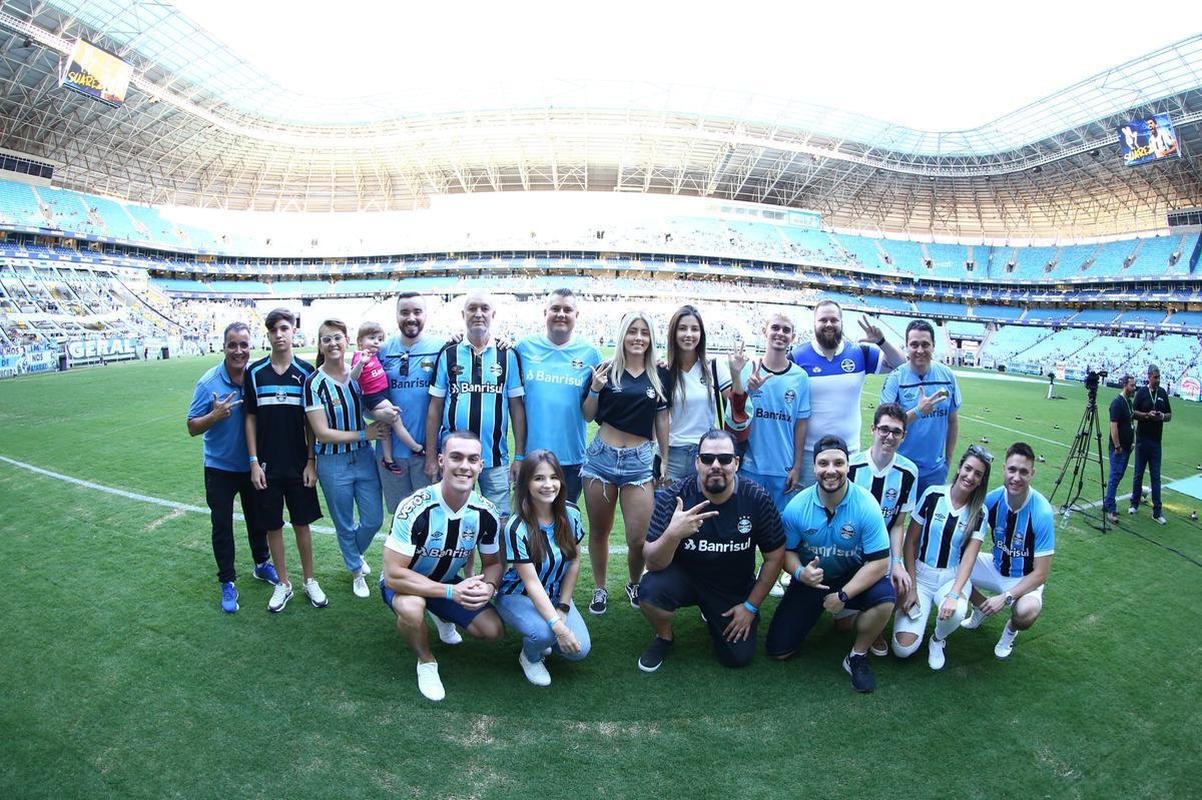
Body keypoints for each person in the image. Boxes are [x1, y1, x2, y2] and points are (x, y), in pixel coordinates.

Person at [637, 430, 785, 672]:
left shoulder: (757, 498)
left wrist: (750, 607)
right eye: (707, 459)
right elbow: (653, 563)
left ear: (736, 463)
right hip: (683, 577)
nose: (716, 465)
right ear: (697, 463)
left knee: (738, 658)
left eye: (725, 459)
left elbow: (774, 557)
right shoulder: (674, 497)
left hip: (730, 585)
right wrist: (673, 533)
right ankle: (664, 637)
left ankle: (715, 613)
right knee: (649, 591)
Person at [380, 431, 505, 702]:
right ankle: (426, 661)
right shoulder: (414, 508)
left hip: (448, 581)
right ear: (440, 461)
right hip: (407, 584)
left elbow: (493, 563)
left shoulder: (487, 513)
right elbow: (392, 575)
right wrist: (451, 593)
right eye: (456, 457)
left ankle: (439, 613)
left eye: (473, 459)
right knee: (412, 608)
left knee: (492, 630)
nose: (464, 466)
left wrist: (489, 587)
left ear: (481, 466)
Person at [766, 435, 895, 693]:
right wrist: (801, 573)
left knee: (885, 598)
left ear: (849, 466)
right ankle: (835, 614)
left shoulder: (866, 504)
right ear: (814, 468)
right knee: (778, 650)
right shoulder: (797, 506)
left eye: (838, 463)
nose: (831, 470)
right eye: (823, 463)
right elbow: (785, 553)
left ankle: (857, 656)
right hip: (813, 580)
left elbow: (880, 563)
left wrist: (844, 595)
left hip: (851, 578)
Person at [581, 310, 669, 615]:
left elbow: (661, 417)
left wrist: (665, 458)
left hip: (639, 462)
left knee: (637, 537)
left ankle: (634, 582)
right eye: (633, 331)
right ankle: (600, 587)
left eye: (644, 332)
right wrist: (594, 388)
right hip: (601, 459)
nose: (638, 338)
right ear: (623, 335)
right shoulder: (606, 370)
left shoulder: (659, 374)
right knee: (599, 531)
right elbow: (588, 415)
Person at [186, 321, 278, 613]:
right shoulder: (208, 382)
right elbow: (191, 426)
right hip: (220, 468)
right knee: (222, 525)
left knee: (258, 520)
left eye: (243, 345)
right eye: (232, 345)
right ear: (223, 347)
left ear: (251, 346)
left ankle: (261, 563)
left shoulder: (256, 376)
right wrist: (214, 416)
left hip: (253, 465)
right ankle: (227, 581)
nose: (238, 351)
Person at [245, 308, 325, 613]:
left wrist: (310, 461)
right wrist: (253, 461)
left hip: (298, 464)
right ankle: (283, 583)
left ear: (293, 332)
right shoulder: (255, 373)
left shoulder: (307, 374)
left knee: (301, 523)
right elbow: (250, 419)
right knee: (272, 526)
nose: (279, 334)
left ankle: (309, 580)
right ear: (267, 335)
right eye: (273, 330)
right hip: (266, 466)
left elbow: (311, 422)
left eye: (284, 328)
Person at [304, 319, 386, 599]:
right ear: (320, 345)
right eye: (326, 339)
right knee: (343, 521)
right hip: (332, 463)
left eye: (337, 337)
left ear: (346, 340)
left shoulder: (357, 377)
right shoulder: (313, 383)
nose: (332, 343)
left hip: (363, 458)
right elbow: (322, 434)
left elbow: (375, 402)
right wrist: (366, 433)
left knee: (374, 518)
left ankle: (353, 555)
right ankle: (355, 571)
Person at [494, 450, 591, 686]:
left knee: (580, 651)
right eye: (539, 478)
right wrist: (559, 627)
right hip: (518, 594)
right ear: (526, 483)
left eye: (553, 477)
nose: (548, 485)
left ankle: (544, 634)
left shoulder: (571, 514)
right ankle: (530, 656)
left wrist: (564, 607)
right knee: (546, 632)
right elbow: (532, 583)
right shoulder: (516, 527)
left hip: (555, 593)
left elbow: (574, 561)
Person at [425, 291, 526, 516]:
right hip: (453, 459)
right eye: (472, 309)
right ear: (463, 314)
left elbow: (517, 408)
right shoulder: (448, 353)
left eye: (484, 309)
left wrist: (519, 456)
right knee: (455, 522)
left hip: (495, 459)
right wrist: (431, 457)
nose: (478, 314)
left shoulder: (508, 354)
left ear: (493, 314)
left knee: (498, 524)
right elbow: (435, 407)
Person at [891, 445, 992, 670]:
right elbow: (911, 542)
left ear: (981, 480)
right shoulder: (933, 494)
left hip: (951, 577)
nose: (970, 476)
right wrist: (913, 587)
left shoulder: (980, 511)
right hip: (921, 574)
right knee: (902, 649)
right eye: (968, 469)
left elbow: (969, 557)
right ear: (959, 467)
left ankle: (937, 639)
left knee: (955, 612)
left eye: (978, 474)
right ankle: (919, 614)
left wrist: (954, 594)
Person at [791, 299, 903, 486]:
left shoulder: (860, 352)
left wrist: (881, 342)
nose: (829, 324)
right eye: (823, 320)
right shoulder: (797, 356)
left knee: (844, 510)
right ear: (814, 324)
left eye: (834, 320)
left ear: (842, 323)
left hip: (850, 451)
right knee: (809, 510)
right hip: (809, 452)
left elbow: (900, 364)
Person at [962, 442, 1054, 660]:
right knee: (953, 563)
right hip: (994, 565)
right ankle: (980, 608)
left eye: (1023, 472)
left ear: (1032, 473)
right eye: (1012, 470)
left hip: (1024, 578)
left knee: (1026, 612)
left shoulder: (1041, 512)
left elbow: (1041, 573)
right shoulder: (992, 500)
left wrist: (1005, 597)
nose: (1016, 477)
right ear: (1004, 469)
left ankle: (1010, 631)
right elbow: (966, 537)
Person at [514, 288, 602, 504]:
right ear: (545, 312)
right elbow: (514, 403)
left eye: (567, 309)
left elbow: (590, 413)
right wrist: (517, 456)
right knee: (529, 527)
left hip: (571, 459)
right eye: (555, 308)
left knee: (565, 526)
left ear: (576, 315)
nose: (561, 314)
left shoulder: (590, 353)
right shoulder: (523, 348)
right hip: (531, 457)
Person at [844, 402, 919, 655]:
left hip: (882, 551)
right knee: (842, 626)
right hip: (849, 548)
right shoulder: (851, 467)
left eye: (896, 432)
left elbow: (898, 524)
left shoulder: (909, 472)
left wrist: (897, 562)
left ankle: (874, 628)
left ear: (904, 436)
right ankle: (859, 612)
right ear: (873, 429)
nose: (889, 436)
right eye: (884, 429)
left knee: (901, 581)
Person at [659, 304, 748, 483]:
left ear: (702, 334)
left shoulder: (713, 367)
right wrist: (664, 458)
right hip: (673, 454)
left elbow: (737, 406)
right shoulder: (664, 369)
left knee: (706, 509)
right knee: (670, 510)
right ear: (673, 333)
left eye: (695, 329)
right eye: (682, 328)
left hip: (707, 454)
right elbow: (659, 417)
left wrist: (736, 374)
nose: (689, 334)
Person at [376, 293, 444, 513]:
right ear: (396, 315)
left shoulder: (441, 347)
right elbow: (367, 398)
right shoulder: (382, 351)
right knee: (399, 516)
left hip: (427, 451)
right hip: (390, 453)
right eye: (405, 312)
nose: (411, 318)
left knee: (430, 515)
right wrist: (377, 415)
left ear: (426, 315)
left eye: (417, 312)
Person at [880, 319, 961, 499]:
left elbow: (953, 420)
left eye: (925, 344)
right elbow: (885, 424)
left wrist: (947, 460)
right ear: (906, 346)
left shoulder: (947, 376)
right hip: (899, 466)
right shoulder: (896, 377)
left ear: (933, 346)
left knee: (928, 522)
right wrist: (918, 411)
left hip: (934, 470)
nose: (919, 350)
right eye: (914, 344)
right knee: (892, 520)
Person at [737, 313, 811, 511]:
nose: (780, 333)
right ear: (764, 331)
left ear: (793, 337)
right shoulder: (747, 370)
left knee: (778, 533)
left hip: (783, 470)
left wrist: (797, 466)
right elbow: (734, 417)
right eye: (775, 328)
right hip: (750, 468)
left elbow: (801, 424)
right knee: (747, 528)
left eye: (786, 330)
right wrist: (748, 392)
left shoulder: (800, 377)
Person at [350, 320, 421, 473]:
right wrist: (361, 363)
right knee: (395, 418)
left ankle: (388, 459)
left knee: (386, 427)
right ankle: (416, 447)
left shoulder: (376, 355)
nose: (376, 342)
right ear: (360, 341)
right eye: (371, 338)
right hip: (373, 396)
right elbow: (354, 377)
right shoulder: (360, 356)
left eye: (379, 339)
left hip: (382, 393)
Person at [1129, 364, 1171, 525]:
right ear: (1148, 377)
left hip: (1155, 442)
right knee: (1138, 474)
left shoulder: (1162, 393)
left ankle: (1157, 511)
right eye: (1155, 377)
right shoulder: (1141, 393)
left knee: (1156, 477)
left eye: (1159, 377)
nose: (1157, 380)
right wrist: (1147, 415)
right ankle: (1134, 503)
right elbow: (1133, 413)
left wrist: (1161, 416)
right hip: (1142, 440)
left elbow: (1169, 415)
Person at [1104, 375, 1136, 525]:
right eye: (1131, 385)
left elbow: (1131, 423)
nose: (1134, 388)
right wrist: (1117, 446)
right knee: (1115, 476)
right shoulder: (1117, 403)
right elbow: (1113, 426)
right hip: (1119, 448)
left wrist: (1133, 440)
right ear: (1125, 385)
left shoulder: (1129, 402)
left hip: (1126, 446)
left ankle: (1107, 503)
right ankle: (1111, 508)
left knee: (1118, 475)